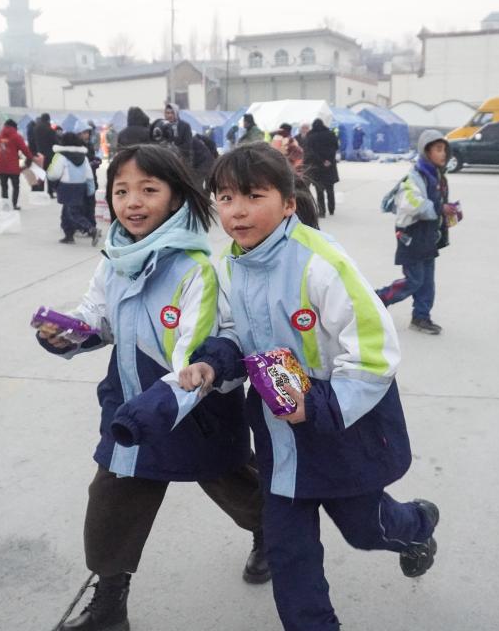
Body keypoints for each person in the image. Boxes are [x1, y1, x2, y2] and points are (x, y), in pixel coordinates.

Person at [179, 143, 438, 631]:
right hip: (280, 441)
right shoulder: (227, 267)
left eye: (254, 196)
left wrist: (318, 406)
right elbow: (231, 332)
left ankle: (418, 525)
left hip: (340, 433)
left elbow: (375, 352)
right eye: (226, 198)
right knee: (288, 552)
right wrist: (212, 364)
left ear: (289, 203)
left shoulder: (322, 262)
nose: (237, 211)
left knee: (366, 529)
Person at [36, 144, 268, 631]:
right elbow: (97, 317)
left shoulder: (195, 268)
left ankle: (269, 536)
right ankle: (109, 604)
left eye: (148, 189)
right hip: (131, 409)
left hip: (195, 413)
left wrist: (161, 403)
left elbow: (191, 355)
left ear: (177, 197)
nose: (133, 202)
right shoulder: (115, 259)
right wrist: (67, 333)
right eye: (121, 191)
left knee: (238, 487)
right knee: (111, 502)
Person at [375, 130, 455, 335]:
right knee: (414, 280)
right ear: (426, 151)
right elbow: (411, 204)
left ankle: (421, 317)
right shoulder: (415, 177)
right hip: (411, 236)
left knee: (427, 282)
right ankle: (378, 299)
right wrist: (439, 208)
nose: (443, 154)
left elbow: (438, 204)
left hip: (428, 237)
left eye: (444, 150)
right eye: (438, 149)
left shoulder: (438, 176)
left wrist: (448, 214)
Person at [46, 132, 97, 245]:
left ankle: (90, 229)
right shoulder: (83, 157)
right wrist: (91, 189)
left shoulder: (61, 156)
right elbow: (89, 175)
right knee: (67, 211)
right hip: (81, 186)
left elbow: (54, 174)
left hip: (67, 187)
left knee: (72, 212)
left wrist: (49, 175)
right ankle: (68, 235)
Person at [303, 118, 339, 217]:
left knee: (319, 190)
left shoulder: (311, 136)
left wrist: (321, 161)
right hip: (330, 166)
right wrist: (329, 160)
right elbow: (335, 147)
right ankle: (331, 209)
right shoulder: (331, 134)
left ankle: (322, 211)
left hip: (317, 166)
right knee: (330, 189)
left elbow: (310, 152)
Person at [0, 119, 33, 210]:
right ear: (14, 127)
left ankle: (5, 205)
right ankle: (14, 204)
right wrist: (30, 158)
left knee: (4, 187)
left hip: (1, 165)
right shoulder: (16, 136)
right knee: (15, 186)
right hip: (12, 166)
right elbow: (25, 150)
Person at [34, 113, 59, 197]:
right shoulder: (50, 129)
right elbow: (55, 141)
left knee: (41, 174)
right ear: (48, 119)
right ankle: (50, 192)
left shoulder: (36, 128)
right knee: (50, 174)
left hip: (39, 154)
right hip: (49, 155)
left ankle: (40, 191)